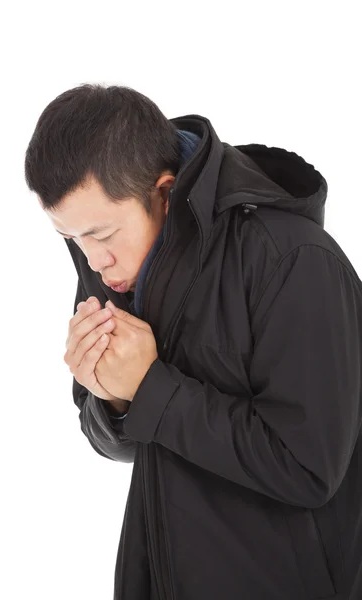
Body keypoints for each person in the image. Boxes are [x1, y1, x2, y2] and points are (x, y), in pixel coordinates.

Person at [24, 83, 362, 600]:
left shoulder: (293, 261)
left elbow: (308, 468)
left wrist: (150, 388)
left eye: (101, 235)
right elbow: (128, 443)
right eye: (72, 240)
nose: (93, 261)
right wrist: (110, 398)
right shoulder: (115, 265)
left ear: (162, 193)